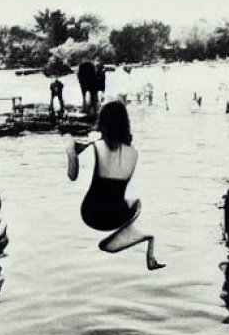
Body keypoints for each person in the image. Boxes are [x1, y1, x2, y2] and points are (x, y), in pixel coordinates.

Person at [65, 100, 163, 270]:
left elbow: (72, 176)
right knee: (136, 202)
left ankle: (118, 241)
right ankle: (140, 241)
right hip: (119, 216)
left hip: (91, 215)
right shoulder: (134, 153)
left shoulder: (96, 147)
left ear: (102, 123)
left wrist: (70, 152)